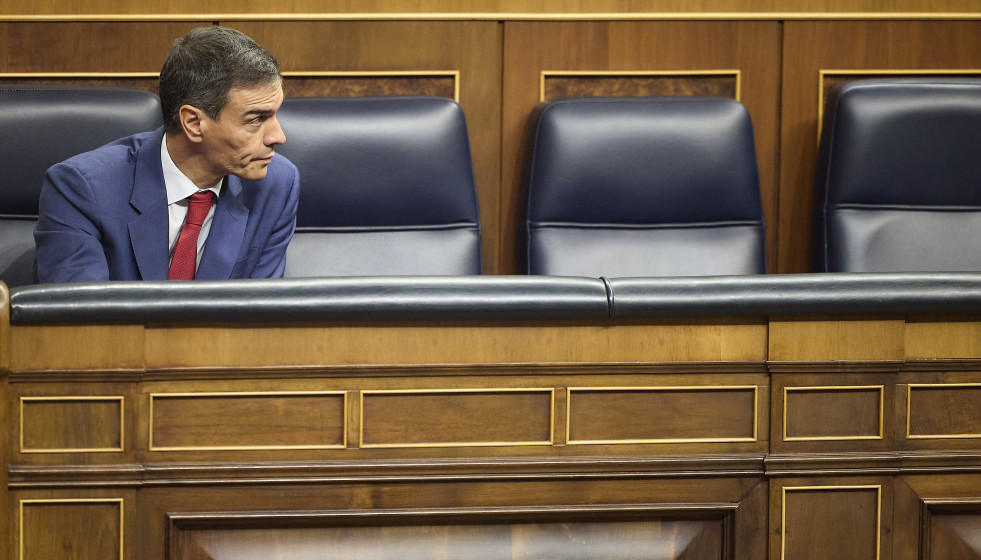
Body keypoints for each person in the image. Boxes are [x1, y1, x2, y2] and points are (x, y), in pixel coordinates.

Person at [34, 26, 299, 282]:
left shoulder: (276, 184)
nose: (279, 136)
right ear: (194, 124)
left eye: (275, 115)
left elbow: (258, 314)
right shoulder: (80, 189)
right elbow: (79, 320)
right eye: (256, 119)